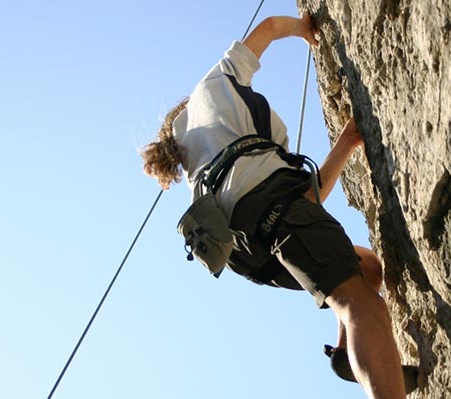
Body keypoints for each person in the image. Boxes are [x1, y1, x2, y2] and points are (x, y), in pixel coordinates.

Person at [140, 14, 412, 399]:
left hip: (247, 254)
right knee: (361, 305)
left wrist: (348, 143)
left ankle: (346, 354)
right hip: (268, 208)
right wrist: (306, 28)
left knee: (367, 269)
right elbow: (267, 28)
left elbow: (304, 205)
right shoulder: (210, 90)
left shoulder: (197, 170)